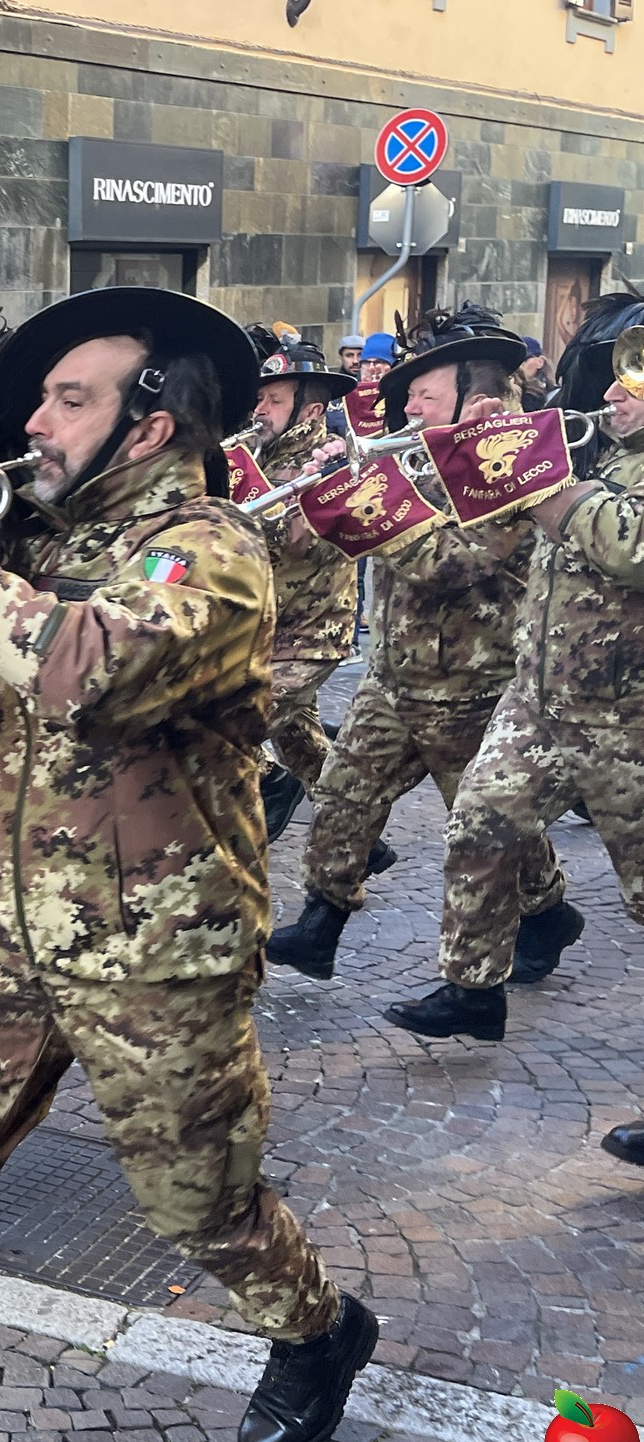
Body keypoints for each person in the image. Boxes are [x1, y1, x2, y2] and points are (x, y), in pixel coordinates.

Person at [0, 288, 375, 1442]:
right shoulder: (34, 543)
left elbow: (90, 671)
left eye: (66, 400)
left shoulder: (209, 550)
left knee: (200, 1210)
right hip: (15, 928)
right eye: (39, 399)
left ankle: (315, 1331)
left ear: (147, 425)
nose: (34, 420)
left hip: (155, 948)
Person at [269, 306, 571, 988]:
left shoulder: (512, 464)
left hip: (470, 683)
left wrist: (365, 503)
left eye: (423, 397)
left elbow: (450, 565)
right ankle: (321, 922)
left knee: (492, 826)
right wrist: (332, 486)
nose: (407, 410)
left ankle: (547, 911)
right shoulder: (422, 454)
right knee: (343, 795)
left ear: (474, 395)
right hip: (395, 674)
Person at [394, 296, 644, 1053]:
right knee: (479, 824)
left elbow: (630, 547)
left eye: (632, 384)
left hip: (626, 718)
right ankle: (473, 990)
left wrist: (538, 479)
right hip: (541, 698)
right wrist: (500, 443)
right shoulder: (602, 452)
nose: (611, 394)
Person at [239, 327, 363, 842]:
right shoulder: (258, 453)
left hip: (311, 632)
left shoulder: (329, 460)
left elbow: (298, 542)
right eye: (260, 398)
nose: (260, 410)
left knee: (230, 730)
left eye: (274, 401)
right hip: (270, 628)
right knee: (306, 748)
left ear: (310, 411)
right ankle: (358, 841)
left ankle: (268, 791)